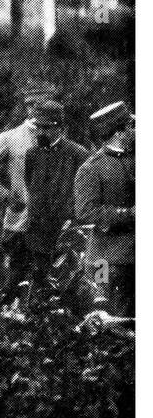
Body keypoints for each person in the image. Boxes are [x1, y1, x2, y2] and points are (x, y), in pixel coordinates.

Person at [0, 81, 59, 287]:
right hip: (21, 222)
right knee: (16, 281)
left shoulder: (59, 136)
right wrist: (5, 196)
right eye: (33, 106)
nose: (37, 110)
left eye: (44, 105)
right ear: (28, 107)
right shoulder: (10, 138)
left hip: (54, 222)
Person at [5, 100, 88, 305]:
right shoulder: (32, 154)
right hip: (37, 234)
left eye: (47, 128)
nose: (41, 132)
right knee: (40, 289)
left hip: (66, 235)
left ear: (60, 127)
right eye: (38, 127)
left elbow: (83, 196)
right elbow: (32, 187)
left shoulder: (77, 154)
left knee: (68, 290)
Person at [74, 101, 135, 317]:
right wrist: (129, 214)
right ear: (119, 132)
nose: (135, 130)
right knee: (113, 323)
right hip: (105, 261)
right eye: (131, 126)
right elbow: (85, 212)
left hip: (133, 256)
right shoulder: (92, 168)